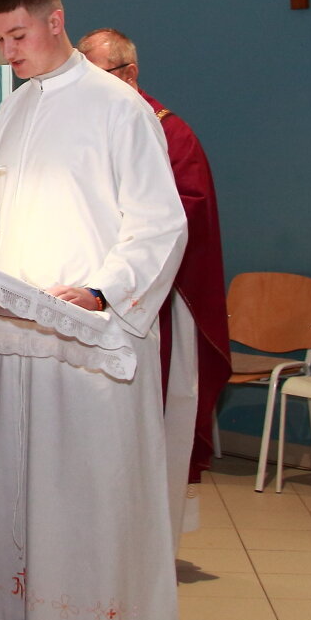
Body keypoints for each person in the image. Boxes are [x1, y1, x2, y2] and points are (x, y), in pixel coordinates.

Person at [0, 0, 187, 620]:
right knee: (23, 496)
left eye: (17, 35)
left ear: (54, 20)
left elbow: (158, 223)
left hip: (90, 340)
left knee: (96, 498)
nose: (7, 52)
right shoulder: (13, 110)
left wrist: (100, 290)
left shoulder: (119, 108)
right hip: (19, 336)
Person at [80, 28, 232, 536]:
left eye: (98, 75)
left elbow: (183, 217)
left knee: (154, 423)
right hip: (88, 292)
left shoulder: (172, 134)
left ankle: (151, 540)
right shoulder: (87, 127)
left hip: (154, 304)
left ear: (129, 73)